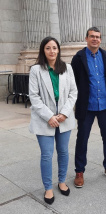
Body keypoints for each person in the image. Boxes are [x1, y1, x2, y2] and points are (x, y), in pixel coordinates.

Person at [29, 36, 77, 205]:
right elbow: (34, 97)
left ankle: (62, 181)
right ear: (43, 50)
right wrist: (49, 116)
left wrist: (64, 114)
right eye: (48, 48)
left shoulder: (67, 68)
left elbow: (73, 93)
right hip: (44, 119)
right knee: (47, 155)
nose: (52, 51)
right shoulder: (36, 70)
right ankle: (48, 187)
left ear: (59, 50)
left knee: (63, 152)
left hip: (64, 119)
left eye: (54, 48)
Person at [71, 27, 106, 187]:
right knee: (82, 139)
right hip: (87, 105)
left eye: (98, 37)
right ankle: (79, 171)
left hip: (105, 105)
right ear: (86, 38)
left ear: (100, 39)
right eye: (92, 36)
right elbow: (75, 81)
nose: (95, 39)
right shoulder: (78, 58)